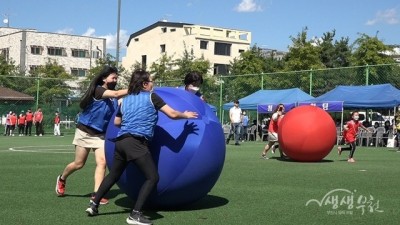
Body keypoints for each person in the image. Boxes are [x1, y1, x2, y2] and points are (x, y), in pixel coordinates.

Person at [85, 69, 198, 225]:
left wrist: (132, 119)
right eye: (152, 82)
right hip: (136, 143)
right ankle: (135, 214)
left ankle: (94, 205)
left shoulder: (126, 99)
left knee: (113, 175)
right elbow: (172, 114)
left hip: (121, 142)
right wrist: (186, 116)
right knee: (153, 177)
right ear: (145, 84)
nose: (153, 84)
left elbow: (117, 122)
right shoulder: (151, 97)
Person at [56, 66, 128, 205]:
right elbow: (116, 94)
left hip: (100, 135)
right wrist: (135, 88)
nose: (115, 80)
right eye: (113, 77)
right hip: (85, 132)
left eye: (116, 78)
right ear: (104, 78)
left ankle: (96, 194)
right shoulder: (99, 90)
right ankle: (62, 178)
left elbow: (118, 100)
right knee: (78, 164)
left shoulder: (113, 97)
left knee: (102, 162)